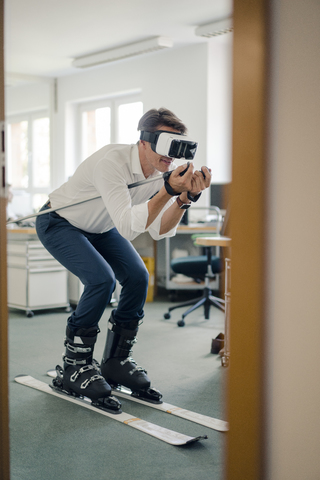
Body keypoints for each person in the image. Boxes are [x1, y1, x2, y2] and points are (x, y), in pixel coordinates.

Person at [36, 107, 212, 411]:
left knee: (138, 276)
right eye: (167, 144)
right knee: (101, 280)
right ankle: (73, 365)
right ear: (144, 142)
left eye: (178, 147)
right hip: (60, 221)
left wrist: (184, 199)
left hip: (101, 227)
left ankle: (116, 361)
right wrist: (168, 189)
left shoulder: (157, 175)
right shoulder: (112, 163)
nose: (172, 156)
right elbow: (129, 225)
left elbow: (158, 230)